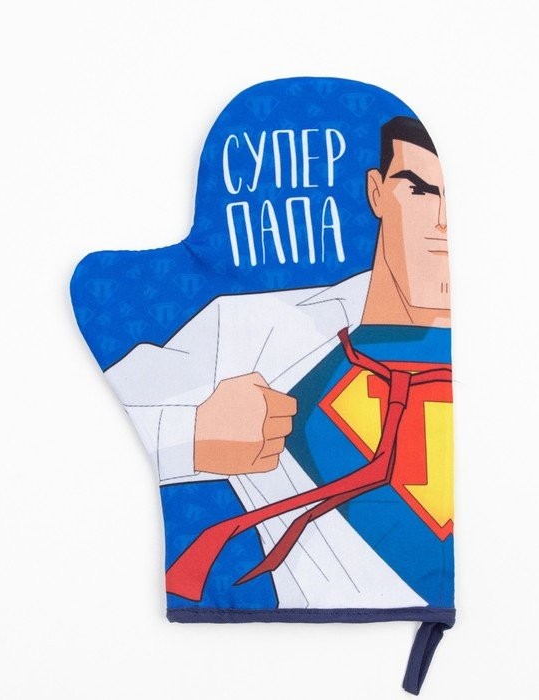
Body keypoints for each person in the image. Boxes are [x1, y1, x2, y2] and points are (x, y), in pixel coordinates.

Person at [106, 116, 452, 611]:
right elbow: (130, 393)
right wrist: (196, 433)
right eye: (417, 191)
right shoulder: (251, 332)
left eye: (447, 199)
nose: (440, 220)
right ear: (376, 193)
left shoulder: (491, 360)